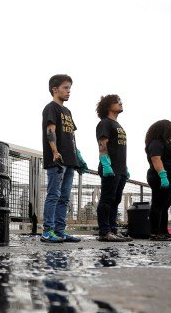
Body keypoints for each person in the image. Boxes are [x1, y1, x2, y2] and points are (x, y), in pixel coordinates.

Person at [41, 74, 88, 243]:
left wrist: (78, 156)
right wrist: (54, 151)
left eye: (70, 88)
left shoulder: (67, 111)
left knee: (65, 197)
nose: (69, 92)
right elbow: (50, 131)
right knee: (53, 194)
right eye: (65, 88)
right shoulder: (51, 108)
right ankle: (47, 232)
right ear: (55, 89)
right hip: (58, 160)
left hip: (71, 160)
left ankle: (60, 231)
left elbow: (71, 136)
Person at [94, 94, 128, 242]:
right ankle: (104, 231)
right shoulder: (105, 123)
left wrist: (124, 168)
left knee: (116, 200)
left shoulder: (118, 125)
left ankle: (113, 229)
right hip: (110, 168)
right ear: (108, 106)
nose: (120, 104)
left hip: (120, 169)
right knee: (107, 199)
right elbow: (102, 144)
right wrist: (106, 164)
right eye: (117, 102)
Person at [144, 120, 171, 241]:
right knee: (158, 204)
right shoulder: (156, 142)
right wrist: (163, 176)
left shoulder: (168, 143)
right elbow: (156, 158)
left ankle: (164, 232)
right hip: (159, 177)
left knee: (165, 206)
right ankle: (155, 233)